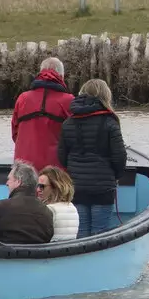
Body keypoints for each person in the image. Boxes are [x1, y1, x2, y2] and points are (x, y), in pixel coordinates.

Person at [58, 78, 127, 237]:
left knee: (80, 233)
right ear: (105, 96)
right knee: (100, 234)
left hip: (77, 187)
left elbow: (62, 156)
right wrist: (115, 175)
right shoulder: (110, 122)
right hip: (103, 188)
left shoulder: (68, 123)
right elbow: (120, 157)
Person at [12, 56, 75, 171]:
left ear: (40, 74)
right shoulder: (68, 101)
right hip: (54, 170)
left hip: (23, 168)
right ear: (61, 76)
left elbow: (15, 134)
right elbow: (75, 138)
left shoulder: (22, 98)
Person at [0, 161, 53, 243]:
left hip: (3, 257)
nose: (7, 183)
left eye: (9, 179)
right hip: (36, 257)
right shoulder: (47, 212)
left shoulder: (0, 207)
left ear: (18, 181)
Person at [36, 165, 80, 240]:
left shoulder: (49, 209)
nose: (38, 190)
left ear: (56, 187)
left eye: (42, 186)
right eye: (37, 186)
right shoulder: (72, 207)